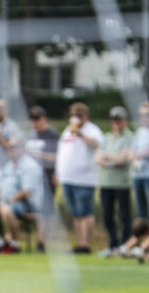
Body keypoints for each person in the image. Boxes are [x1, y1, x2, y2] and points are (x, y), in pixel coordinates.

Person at [56, 102, 104, 253]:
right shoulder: (67, 130)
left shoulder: (92, 130)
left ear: (86, 116)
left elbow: (96, 144)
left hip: (85, 179)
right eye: (73, 115)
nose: (75, 118)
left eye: (79, 115)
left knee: (85, 212)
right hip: (68, 178)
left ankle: (86, 244)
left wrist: (80, 134)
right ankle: (79, 243)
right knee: (76, 213)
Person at [95, 106, 133, 257]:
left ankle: (125, 245)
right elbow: (98, 158)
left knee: (124, 215)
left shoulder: (130, 137)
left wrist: (107, 156)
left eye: (120, 120)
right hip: (106, 182)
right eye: (115, 121)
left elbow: (123, 159)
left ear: (125, 120)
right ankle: (112, 245)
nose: (117, 124)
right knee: (107, 215)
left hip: (122, 182)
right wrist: (112, 157)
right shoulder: (107, 137)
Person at [26, 105, 59, 252]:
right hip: (31, 178)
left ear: (44, 119)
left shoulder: (52, 135)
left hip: (47, 176)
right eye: (32, 120)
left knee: (46, 211)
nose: (35, 123)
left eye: (37, 119)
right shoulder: (31, 135)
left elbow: (59, 157)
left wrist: (40, 155)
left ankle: (41, 242)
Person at [0, 98, 22, 168]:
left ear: (6, 110)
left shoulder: (11, 126)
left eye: (0, 108)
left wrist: (0, 141)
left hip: (6, 166)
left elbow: (16, 146)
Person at [129, 101, 149, 221]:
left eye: (145, 115)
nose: (142, 118)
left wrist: (138, 154)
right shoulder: (140, 132)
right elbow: (131, 151)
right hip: (138, 175)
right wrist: (136, 155)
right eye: (141, 115)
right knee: (141, 212)